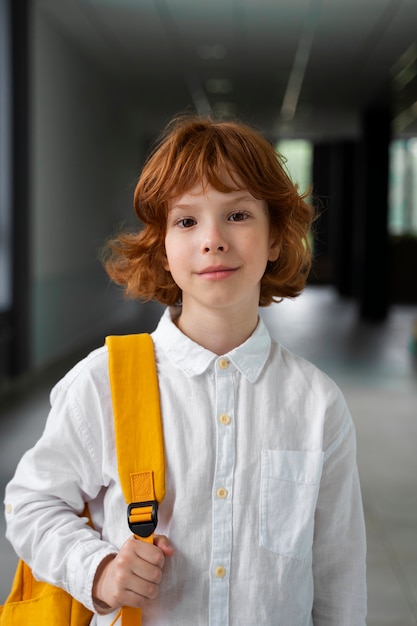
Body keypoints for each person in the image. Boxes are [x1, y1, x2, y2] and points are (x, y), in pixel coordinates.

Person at [4, 115, 367, 625]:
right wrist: (99, 569)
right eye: (187, 220)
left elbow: (338, 572)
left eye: (238, 215)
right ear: (163, 249)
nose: (213, 239)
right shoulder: (104, 383)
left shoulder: (316, 403)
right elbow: (30, 504)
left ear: (277, 239)